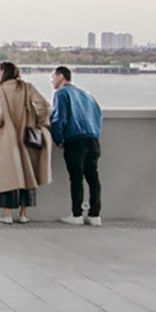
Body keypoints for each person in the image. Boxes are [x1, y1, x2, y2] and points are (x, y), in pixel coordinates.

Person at [0, 61, 51, 224]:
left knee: (8, 175)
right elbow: (43, 105)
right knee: (28, 173)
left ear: (3, 72)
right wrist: (40, 122)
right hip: (28, 135)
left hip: (7, 137)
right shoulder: (26, 87)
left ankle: (7, 214)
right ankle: (23, 214)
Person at [49, 66, 103, 226]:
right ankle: (95, 215)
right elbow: (98, 116)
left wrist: (58, 139)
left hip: (75, 139)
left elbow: (59, 118)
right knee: (93, 178)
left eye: (53, 77)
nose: (52, 81)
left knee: (76, 178)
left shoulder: (61, 93)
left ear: (60, 76)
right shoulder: (87, 95)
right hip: (93, 139)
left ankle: (77, 214)